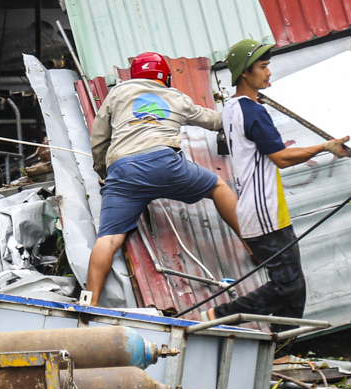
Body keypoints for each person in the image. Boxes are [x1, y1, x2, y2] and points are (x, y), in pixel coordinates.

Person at [209, 38, 348, 323]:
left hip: (265, 210)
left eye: (268, 66)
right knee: (287, 284)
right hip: (264, 214)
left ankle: (282, 350)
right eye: (262, 67)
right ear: (244, 73)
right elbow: (281, 158)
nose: (268, 72)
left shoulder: (233, 107)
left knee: (294, 286)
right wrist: (325, 146)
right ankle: (217, 315)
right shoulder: (252, 111)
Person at [84, 52, 241, 304]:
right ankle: (254, 246)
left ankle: (88, 304)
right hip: (165, 163)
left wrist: (104, 173)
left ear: (134, 75)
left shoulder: (118, 93)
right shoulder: (176, 97)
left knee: (109, 238)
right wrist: (237, 114)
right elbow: (212, 120)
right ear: (166, 78)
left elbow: (100, 138)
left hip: (123, 171)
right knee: (218, 187)